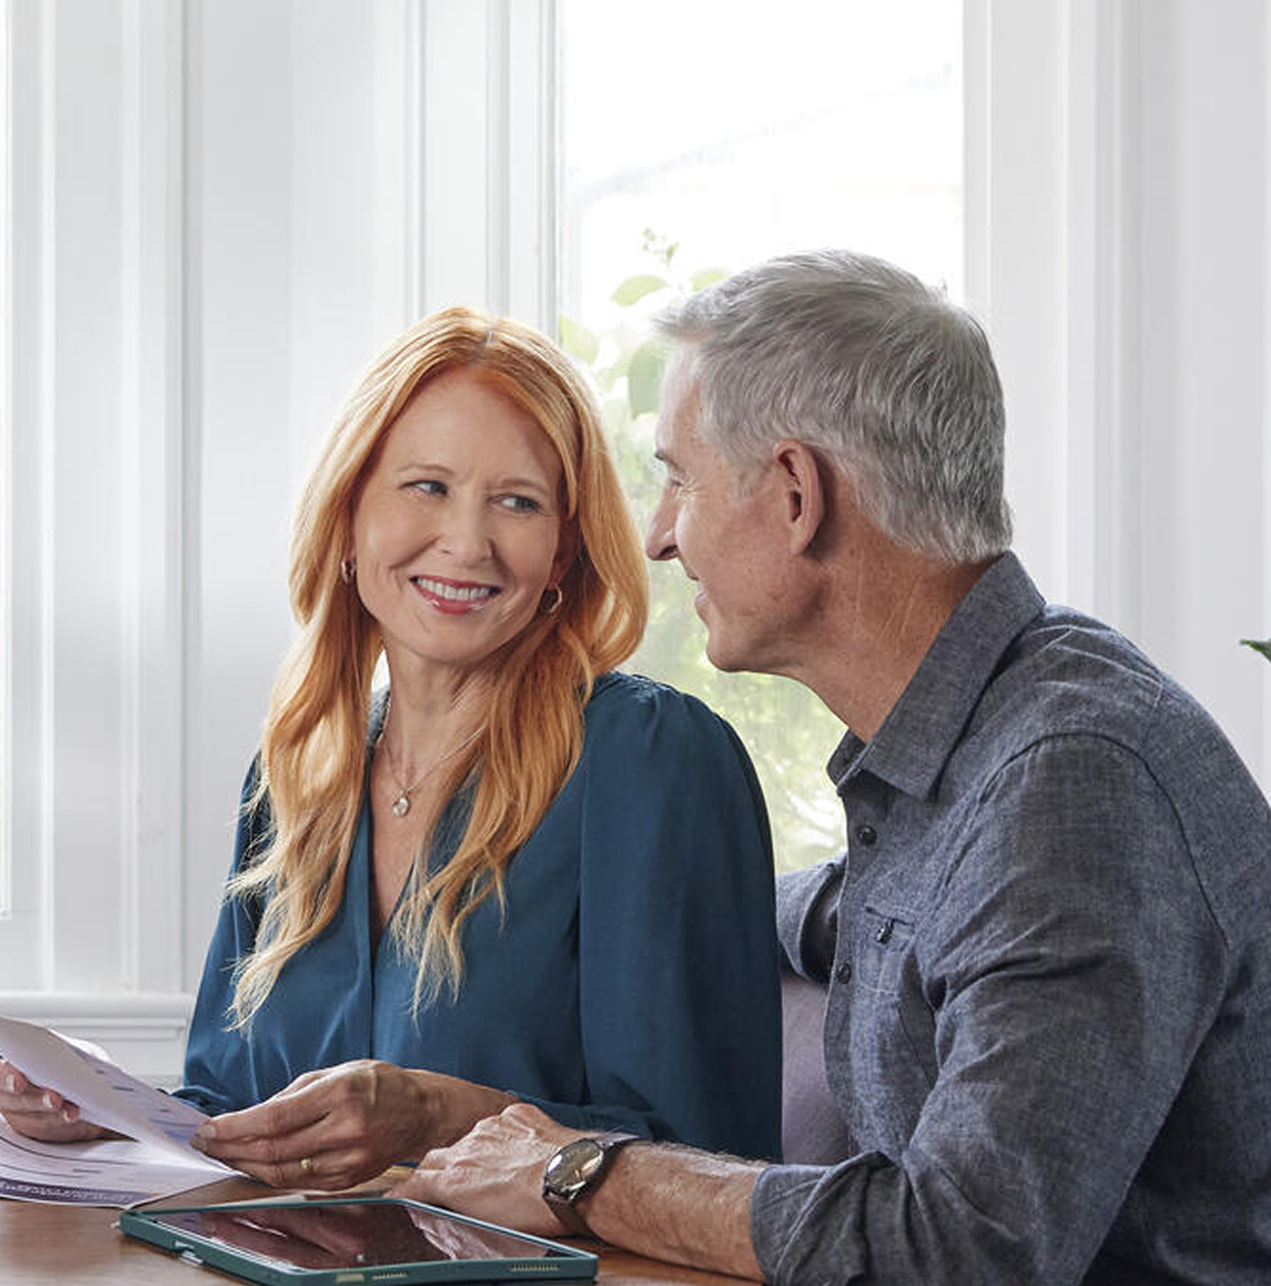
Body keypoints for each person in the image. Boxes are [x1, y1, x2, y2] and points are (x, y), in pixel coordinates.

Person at [394, 250, 1271, 1283]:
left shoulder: (1078, 781)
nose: (659, 533)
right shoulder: (987, 741)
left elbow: (963, 1248)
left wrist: (579, 1170)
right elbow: (850, 912)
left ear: (797, 493)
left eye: (677, 476)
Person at [0, 308, 781, 1188]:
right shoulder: (295, 777)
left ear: (562, 555)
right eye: (427, 487)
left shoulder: (651, 761)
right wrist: (101, 1108)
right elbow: (233, 1105)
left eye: (518, 502)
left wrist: (436, 1117)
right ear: (351, 514)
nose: (467, 543)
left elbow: (710, 1167)